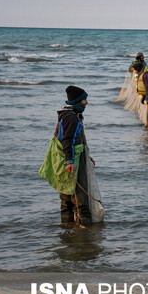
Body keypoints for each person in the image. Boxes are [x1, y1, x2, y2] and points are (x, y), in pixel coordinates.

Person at [56, 86, 95, 224]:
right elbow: (67, 140)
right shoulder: (71, 117)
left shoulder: (71, 114)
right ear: (78, 100)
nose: (87, 102)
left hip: (73, 158)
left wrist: (86, 155)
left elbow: (75, 139)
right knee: (80, 196)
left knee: (66, 192)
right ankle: (84, 231)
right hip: (72, 162)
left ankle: (67, 229)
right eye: (85, 99)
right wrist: (70, 161)